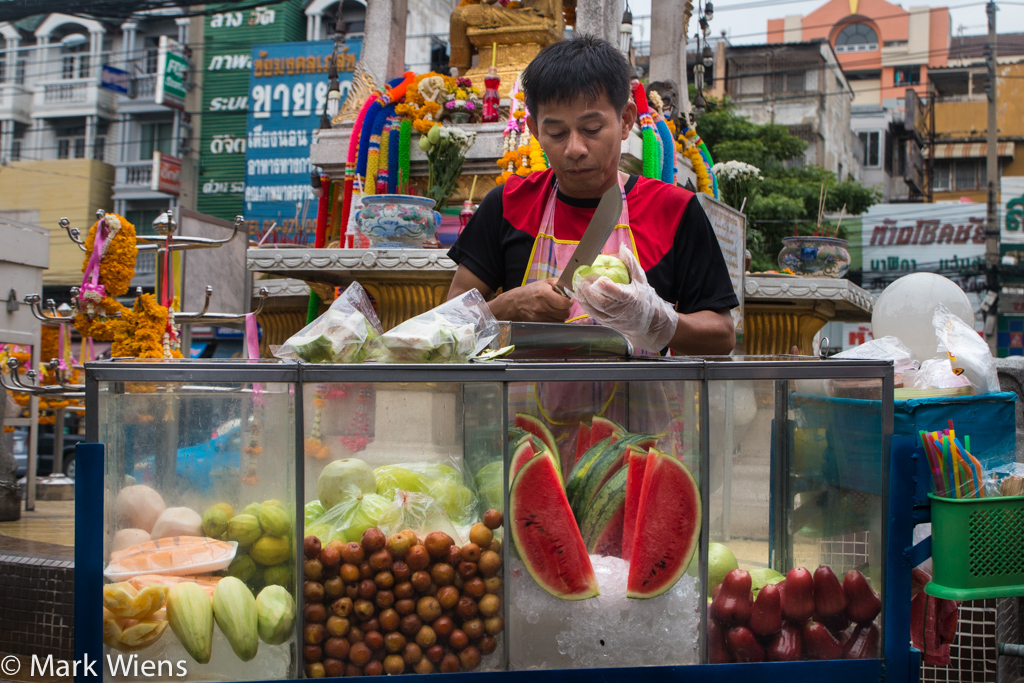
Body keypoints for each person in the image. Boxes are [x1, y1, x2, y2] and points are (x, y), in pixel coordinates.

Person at [447, 34, 738, 356]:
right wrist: (508, 306)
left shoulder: (674, 209)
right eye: (556, 133)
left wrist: (654, 319)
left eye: (592, 129)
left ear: (625, 121)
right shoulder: (508, 204)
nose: (575, 149)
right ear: (535, 130)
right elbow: (449, 326)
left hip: (639, 392)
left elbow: (722, 336)